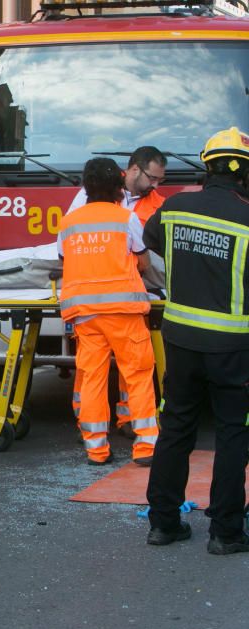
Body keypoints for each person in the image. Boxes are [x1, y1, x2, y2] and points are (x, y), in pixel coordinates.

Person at [144, 127, 249, 554]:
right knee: (232, 436)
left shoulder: (174, 208)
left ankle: (163, 524)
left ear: (207, 166)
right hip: (234, 348)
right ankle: (226, 533)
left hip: (181, 342)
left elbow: (151, 244)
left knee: (175, 429)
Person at [56, 157, 157, 467]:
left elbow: (63, 260)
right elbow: (144, 261)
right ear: (119, 186)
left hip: (84, 314)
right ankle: (146, 449)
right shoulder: (126, 218)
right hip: (124, 311)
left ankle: (96, 450)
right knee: (138, 375)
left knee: (92, 378)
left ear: (86, 187)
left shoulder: (68, 222)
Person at [67, 146, 167, 225]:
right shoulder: (96, 188)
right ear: (135, 169)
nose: (156, 185)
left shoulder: (161, 206)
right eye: (152, 178)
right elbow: (70, 228)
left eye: (160, 180)